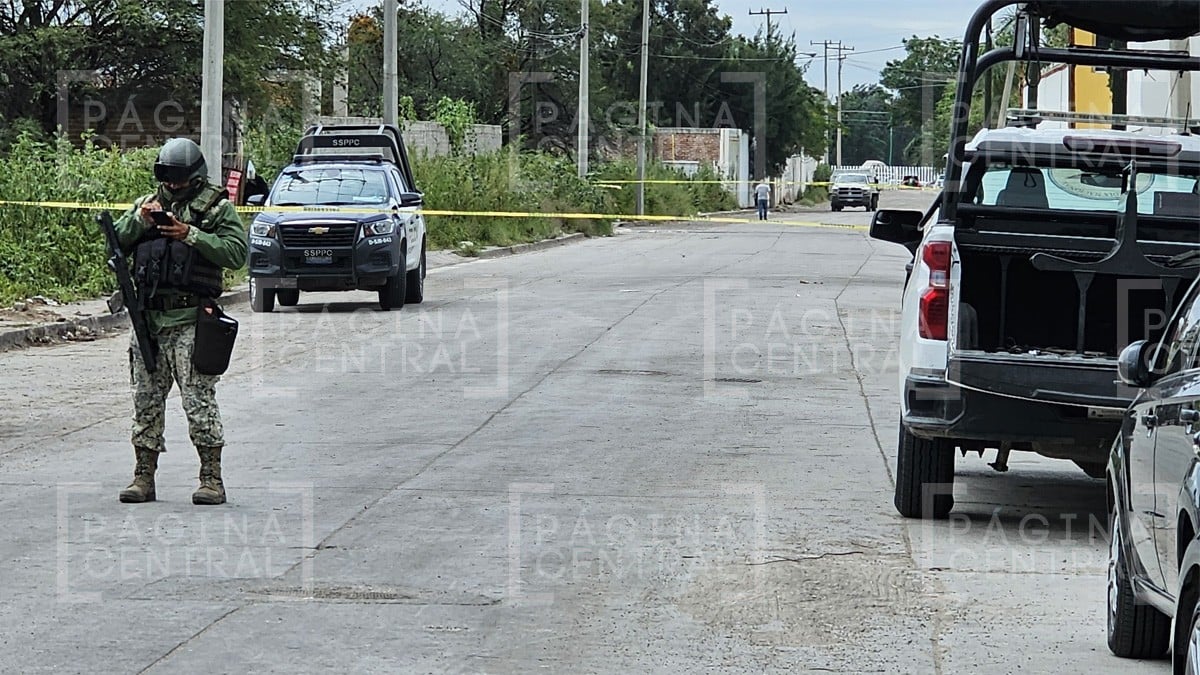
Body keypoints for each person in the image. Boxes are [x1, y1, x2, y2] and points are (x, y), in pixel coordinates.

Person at [114, 138, 247, 505]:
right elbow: (116, 242)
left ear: (195, 177)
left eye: (179, 179)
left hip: (191, 320)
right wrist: (139, 221)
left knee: (198, 403)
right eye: (167, 178)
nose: (172, 185)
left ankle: (211, 479)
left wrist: (192, 235)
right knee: (146, 401)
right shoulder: (148, 204)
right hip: (150, 322)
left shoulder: (216, 209)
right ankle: (143, 477)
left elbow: (237, 253)